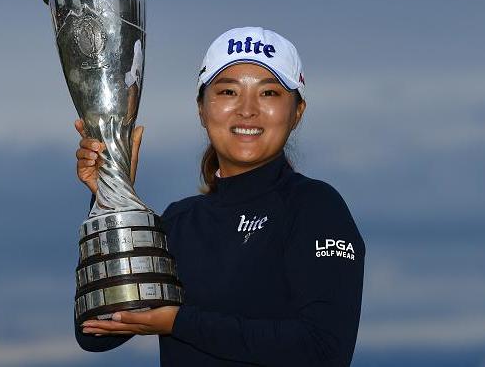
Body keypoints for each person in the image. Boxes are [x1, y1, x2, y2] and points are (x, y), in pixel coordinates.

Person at [73, 26, 365, 366]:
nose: (247, 109)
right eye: (228, 92)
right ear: (202, 109)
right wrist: (112, 196)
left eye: (269, 93)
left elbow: (324, 351)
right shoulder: (179, 222)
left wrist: (178, 323)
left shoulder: (315, 207)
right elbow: (95, 330)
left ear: (297, 112)